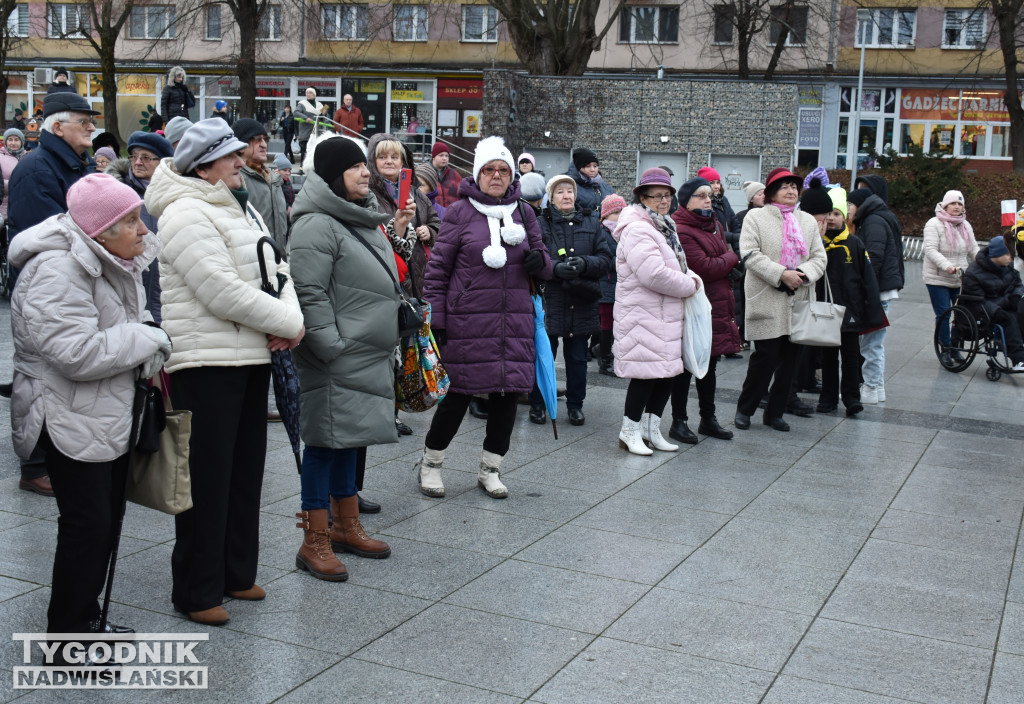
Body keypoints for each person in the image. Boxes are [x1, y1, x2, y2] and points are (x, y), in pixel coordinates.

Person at [144, 119, 305, 626]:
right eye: (232, 156)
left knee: (243, 475)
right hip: (205, 365)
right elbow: (219, 291)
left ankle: (236, 572)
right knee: (207, 482)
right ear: (205, 164)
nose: (243, 161)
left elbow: (277, 269)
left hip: (249, 357)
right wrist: (289, 324)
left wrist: (292, 320)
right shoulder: (184, 213)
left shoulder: (240, 204)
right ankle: (197, 589)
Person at [9, 173, 170, 653]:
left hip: (104, 409)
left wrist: (144, 334)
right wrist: (148, 337)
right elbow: (75, 352)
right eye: (131, 221)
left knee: (105, 521)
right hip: (67, 414)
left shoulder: (109, 256)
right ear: (100, 231)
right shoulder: (59, 269)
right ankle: (68, 637)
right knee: (88, 526)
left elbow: (124, 321)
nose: (144, 230)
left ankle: (86, 620)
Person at [288, 135, 412, 580]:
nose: (366, 172)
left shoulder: (358, 218)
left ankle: (345, 525)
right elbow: (309, 293)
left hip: (365, 353)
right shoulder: (316, 224)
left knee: (350, 439)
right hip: (337, 355)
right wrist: (331, 346)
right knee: (323, 444)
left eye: (365, 165)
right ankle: (313, 539)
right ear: (332, 175)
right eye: (356, 166)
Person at [416, 136, 552, 499]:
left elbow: (543, 261)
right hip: (468, 323)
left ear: (512, 176)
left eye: (503, 170)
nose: (496, 176)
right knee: (457, 396)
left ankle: (490, 469)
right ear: (478, 174)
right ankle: (431, 465)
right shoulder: (460, 212)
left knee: (507, 398)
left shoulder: (524, 213)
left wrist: (543, 264)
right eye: (489, 170)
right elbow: (437, 272)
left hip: (514, 323)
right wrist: (437, 322)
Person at [3, 92, 101, 493]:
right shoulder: (36, 168)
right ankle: (34, 465)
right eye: (84, 121)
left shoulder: (73, 164)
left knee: (60, 374)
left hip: (69, 283)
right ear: (58, 127)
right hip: (44, 287)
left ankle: (54, 456)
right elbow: (43, 234)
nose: (92, 128)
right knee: (38, 373)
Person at [612, 168, 701, 455]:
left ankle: (651, 430)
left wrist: (688, 279)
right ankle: (630, 431)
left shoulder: (663, 225)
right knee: (645, 376)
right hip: (644, 313)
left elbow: (673, 266)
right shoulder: (638, 228)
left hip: (665, 313)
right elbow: (653, 274)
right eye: (657, 196)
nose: (664, 201)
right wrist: (690, 284)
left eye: (667, 195)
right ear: (642, 197)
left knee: (667, 374)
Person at [733, 167, 827, 432]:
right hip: (767, 295)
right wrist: (781, 274)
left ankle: (775, 412)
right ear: (772, 192)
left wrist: (803, 274)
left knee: (791, 361)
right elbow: (750, 253)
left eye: (794, 187)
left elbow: (819, 258)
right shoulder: (756, 217)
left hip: (799, 296)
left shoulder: (807, 220)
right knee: (765, 357)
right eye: (785, 186)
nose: (791, 191)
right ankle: (745, 409)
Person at [528, 174, 612, 427]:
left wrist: (585, 264)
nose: (567, 196)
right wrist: (553, 269)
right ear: (551, 197)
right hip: (550, 300)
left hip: (581, 300)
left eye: (570, 191)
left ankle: (576, 405)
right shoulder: (540, 224)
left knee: (577, 359)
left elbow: (606, 258)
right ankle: (538, 404)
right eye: (560, 192)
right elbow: (531, 259)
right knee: (544, 355)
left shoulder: (591, 222)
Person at [669, 177, 741, 443]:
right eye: (701, 195)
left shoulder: (714, 225)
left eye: (709, 195)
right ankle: (679, 421)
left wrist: (723, 261)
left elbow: (716, 262)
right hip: (694, 307)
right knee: (687, 367)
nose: (708, 199)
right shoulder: (682, 228)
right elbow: (705, 267)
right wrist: (733, 257)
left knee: (709, 366)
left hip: (715, 306)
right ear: (686, 201)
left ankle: (708, 419)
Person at [816, 185, 884, 415]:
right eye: (828, 214)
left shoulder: (855, 244)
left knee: (851, 357)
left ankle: (852, 398)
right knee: (827, 358)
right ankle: (827, 398)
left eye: (837, 214)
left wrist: (870, 310)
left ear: (845, 216)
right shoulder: (817, 243)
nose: (832, 218)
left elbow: (868, 279)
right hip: (825, 310)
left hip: (850, 310)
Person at [108, 131, 173, 323]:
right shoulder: (118, 195)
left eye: (145, 157)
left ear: (161, 162)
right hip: (128, 292)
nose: (137, 162)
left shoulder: (173, 195)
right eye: (134, 157)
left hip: (166, 295)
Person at [846, 185, 904, 404]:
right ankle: (877, 387)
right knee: (874, 342)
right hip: (880, 290)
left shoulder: (873, 221)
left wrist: (864, 287)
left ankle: (871, 388)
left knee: (871, 343)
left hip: (876, 291)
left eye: (850, 204)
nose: (848, 209)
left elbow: (874, 258)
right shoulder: (878, 217)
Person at [366, 133, 440, 297]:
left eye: (394, 156)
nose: (389, 161)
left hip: (419, 277)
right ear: (373, 161)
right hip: (386, 278)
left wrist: (430, 232)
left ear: (402, 162)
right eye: (382, 157)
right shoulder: (367, 196)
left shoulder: (416, 194)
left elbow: (437, 223)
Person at [923, 190, 979, 365]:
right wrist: (947, 266)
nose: (956, 207)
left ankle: (956, 347)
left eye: (960, 204)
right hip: (938, 277)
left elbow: (973, 249)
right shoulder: (933, 224)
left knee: (962, 315)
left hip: (960, 278)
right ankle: (945, 349)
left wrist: (985, 264)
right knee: (944, 314)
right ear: (945, 205)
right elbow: (930, 250)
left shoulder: (965, 225)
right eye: (953, 203)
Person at [960, 236, 1024, 371]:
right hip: (983, 310)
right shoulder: (974, 272)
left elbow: (1017, 284)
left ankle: (1016, 346)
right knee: (1008, 318)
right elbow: (977, 301)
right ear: (996, 254)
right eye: (1007, 254)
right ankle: (1018, 359)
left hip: (1003, 304)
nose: (1010, 258)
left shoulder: (1008, 268)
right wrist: (997, 309)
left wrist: (1016, 296)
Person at [234, 118, 289, 248]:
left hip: (277, 261)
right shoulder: (237, 180)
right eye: (257, 139)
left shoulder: (273, 179)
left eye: (265, 139)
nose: (264, 145)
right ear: (242, 146)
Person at [597, 193, 625, 377]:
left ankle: (607, 353)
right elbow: (604, 259)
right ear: (605, 215)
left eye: (622, 211)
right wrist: (624, 260)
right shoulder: (601, 232)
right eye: (615, 212)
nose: (619, 215)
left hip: (621, 286)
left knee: (617, 325)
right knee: (607, 324)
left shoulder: (626, 231)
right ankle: (605, 359)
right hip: (606, 285)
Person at [567, 148, 614, 213]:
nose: (592, 169)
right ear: (578, 166)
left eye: (595, 166)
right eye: (588, 166)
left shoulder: (606, 187)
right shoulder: (568, 185)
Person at [697, 166, 736, 233]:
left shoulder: (723, 200)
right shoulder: (701, 203)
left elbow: (735, 223)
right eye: (712, 183)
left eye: (718, 183)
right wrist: (734, 237)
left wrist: (736, 241)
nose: (716, 186)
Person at [295, 87, 325, 166]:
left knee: (315, 152)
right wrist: (305, 118)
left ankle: (314, 168)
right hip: (306, 133)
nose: (308, 94)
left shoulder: (319, 105)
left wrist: (324, 113)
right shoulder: (302, 103)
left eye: (310, 93)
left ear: (314, 95)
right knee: (304, 152)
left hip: (316, 133)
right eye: (307, 93)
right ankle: (302, 168)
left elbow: (322, 119)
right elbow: (296, 112)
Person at [431, 142, 462, 208]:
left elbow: (461, 195)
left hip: (451, 214)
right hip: (431, 215)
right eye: (441, 155)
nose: (444, 158)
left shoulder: (455, 175)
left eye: (446, 156)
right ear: (433, 157)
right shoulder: (425, 174)